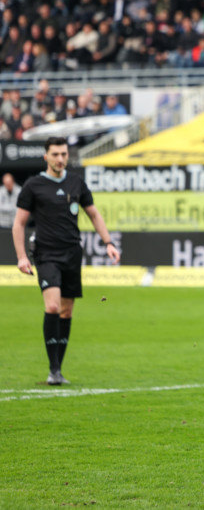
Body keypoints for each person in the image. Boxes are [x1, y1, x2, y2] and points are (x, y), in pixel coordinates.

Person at [12, 137, 120, 385]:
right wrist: (21, 257)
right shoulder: (33, 185)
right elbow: (18, 223)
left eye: (63, 154)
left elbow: (93, 213)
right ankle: (53, 370)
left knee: (66, 310)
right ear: (46, 157)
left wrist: (109, 243)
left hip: (72, 253)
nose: (60, 159)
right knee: (52, 307)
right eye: (55, 154)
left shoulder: (76, 183)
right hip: (46, 254)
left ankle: (57, 369)